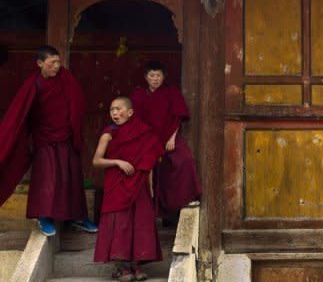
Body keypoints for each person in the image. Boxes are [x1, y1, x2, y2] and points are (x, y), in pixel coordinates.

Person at [0, 45, 97, 236]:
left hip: (66, 137)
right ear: (40, 63)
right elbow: (18, 115)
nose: (56, 66)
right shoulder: (32, 84)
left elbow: (77, 103)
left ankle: (78, 216)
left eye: (58, 62)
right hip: (44, 139)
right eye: (52, 63)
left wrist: (74, 130)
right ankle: (43, 217)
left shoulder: (66, 78)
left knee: (72, 177)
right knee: (46, 178)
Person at [93, 96, 164, 282]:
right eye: (111, 110)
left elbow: (148, 163)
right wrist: (117, 161)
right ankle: (121, 266)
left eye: (118, 109)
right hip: (117, 184)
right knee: (120, 223)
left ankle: (137, 264)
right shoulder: (108, 134)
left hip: (138, 185)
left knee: (139, 222)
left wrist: (151, 188)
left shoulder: (144, 133)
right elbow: (96, 160)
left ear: (130, 112)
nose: (115, 113)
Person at [131, 60, 202, 223]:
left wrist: (172, 138)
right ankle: (152, 211)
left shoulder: (171, 92)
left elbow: (178, 116)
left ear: (164, 77)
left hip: (171, 136)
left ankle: (189, 196)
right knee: (152, 173)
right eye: (152, 75)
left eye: (158, 76)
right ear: (146, 77)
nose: (155, 79)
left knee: (185, 160)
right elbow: (136, 121)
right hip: (149, 139)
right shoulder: (139, 95)